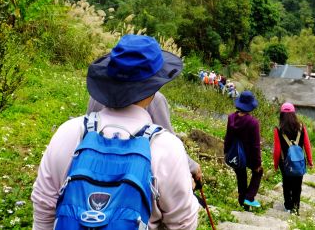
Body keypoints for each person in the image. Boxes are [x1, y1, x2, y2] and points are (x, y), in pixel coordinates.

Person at [31, 35, 199, 230]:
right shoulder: (167, 147)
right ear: (154, 88)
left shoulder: (68, 133)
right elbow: (182, 223)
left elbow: (44, 205)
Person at [87, 91, 203, 184]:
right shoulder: (154, 98)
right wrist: (192, 166)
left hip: (95, 170)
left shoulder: (98, 93)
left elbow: (88, 134)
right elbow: (169, 145)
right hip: (136, 175)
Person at [224, 90, 263, 210]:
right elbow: (256, 145)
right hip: (249, 155)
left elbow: (228, 137)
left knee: (241, 177)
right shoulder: (253, 122)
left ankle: (242, 202)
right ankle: (249, 198)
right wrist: (257, 163)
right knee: (258, 172)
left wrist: (226, 152)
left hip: (235, 154)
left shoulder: (231, 118)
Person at [273, 102, 313, 215]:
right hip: (299, 161)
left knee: (286, 184)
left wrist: (275, 164)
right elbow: (307, 145)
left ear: (281, 114)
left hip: (284, 162)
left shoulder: (278, 129)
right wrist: (310, 161)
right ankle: (296, 207)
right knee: (297, 184)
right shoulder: (301, 127)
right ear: (294, 114)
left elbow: (276, 150)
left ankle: (288, 206)